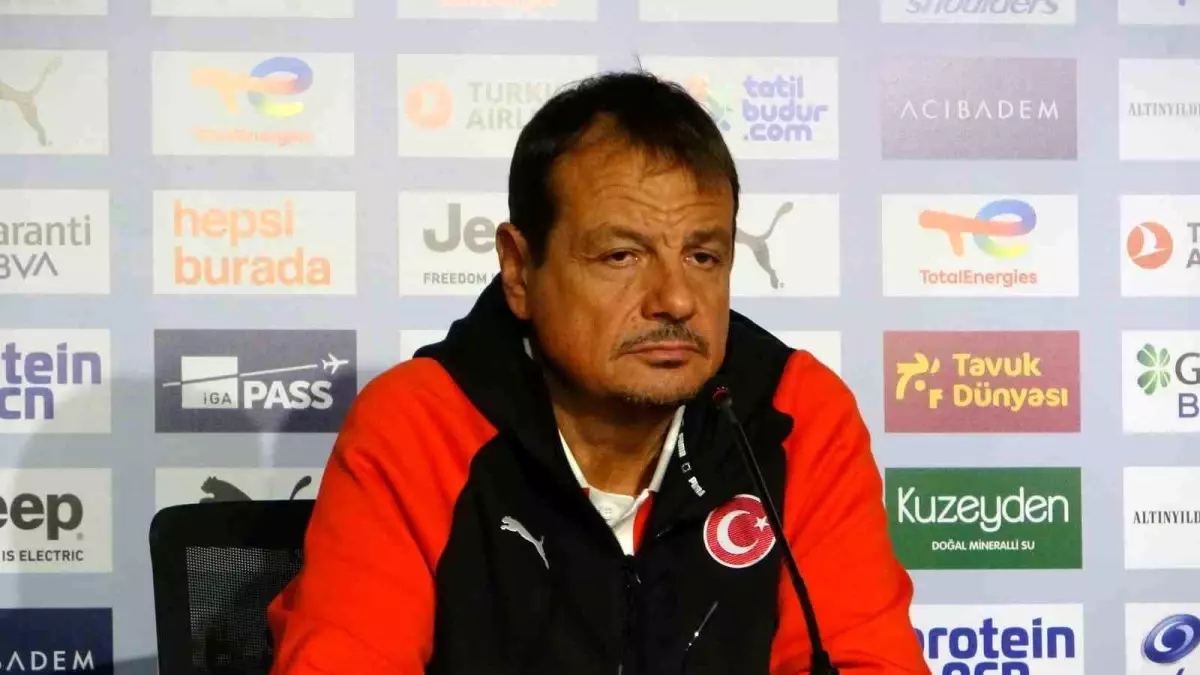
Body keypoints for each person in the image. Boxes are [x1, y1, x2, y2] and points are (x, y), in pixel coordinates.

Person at [266, 70, 930, 675]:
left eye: (703, 256)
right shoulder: (419, 425)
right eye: (621, 256)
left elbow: (867, 661)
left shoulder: (793, 413)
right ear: (519, 270)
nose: (675, 299)